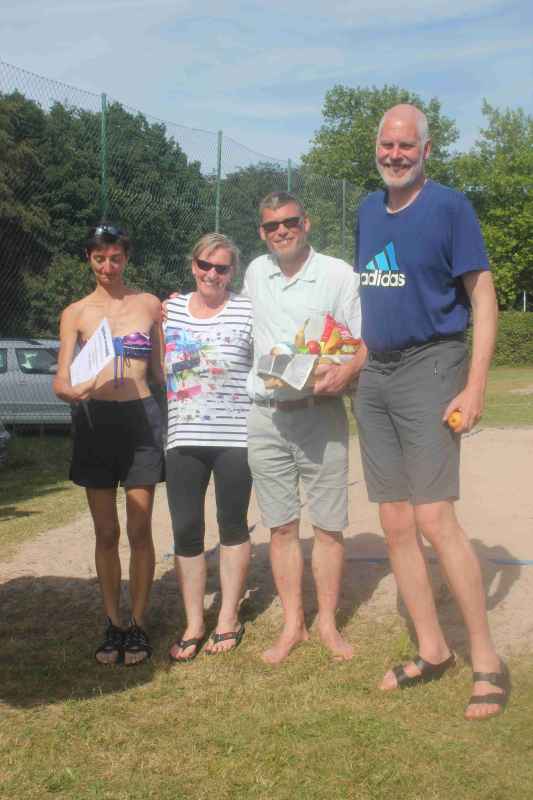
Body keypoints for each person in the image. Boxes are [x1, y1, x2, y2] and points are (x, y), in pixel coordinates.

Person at [352, 104, 510, 721]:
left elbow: (485, 301)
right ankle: (433, 649)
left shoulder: (451, 207)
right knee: (394, 523)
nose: (395, 155)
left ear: (425, 149)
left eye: (406, 146)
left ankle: (487, 662)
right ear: (378, 147)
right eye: (387, 145)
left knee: (433, 517)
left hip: (433, 368)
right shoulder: (368, 210)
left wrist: (474, 387)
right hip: (377, 374)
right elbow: (375, 300)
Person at [243, 191, 366, 664]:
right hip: (267, 416)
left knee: (330, 527)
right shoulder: (256, 272)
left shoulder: (336, 274)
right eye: (272, 225)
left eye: (290, 221)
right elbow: (224, 305)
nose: (282, 230)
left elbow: (364, 340)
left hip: (320, 414)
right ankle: (293, 625)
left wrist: (347, 372)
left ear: (306, 223)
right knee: (280, 528)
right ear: (262, 231)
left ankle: (328, 624)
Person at [54, 223, 166, 666]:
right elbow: (62, 377)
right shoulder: (75, 313)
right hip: (94, 420)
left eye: (115, 257)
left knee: (139, 530)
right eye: (99, 258)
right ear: (89, 260)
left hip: (141, 418)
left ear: (126, 257)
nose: (108, 266)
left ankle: (137, 624)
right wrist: (68, 391)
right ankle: (113, 624)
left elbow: (160, 370)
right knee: (106, 532)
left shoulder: (149, 304)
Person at [165, 233, 254, 662]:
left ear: (231, 272)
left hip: (237, 437)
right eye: (204, 265)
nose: (211, 274)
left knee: (233, 525)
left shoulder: (247, 310)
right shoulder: (170, 309)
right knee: (186, 531)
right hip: (183, 437)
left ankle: (228, 618)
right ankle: (195, 622)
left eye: (221, 268)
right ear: (193, 265)